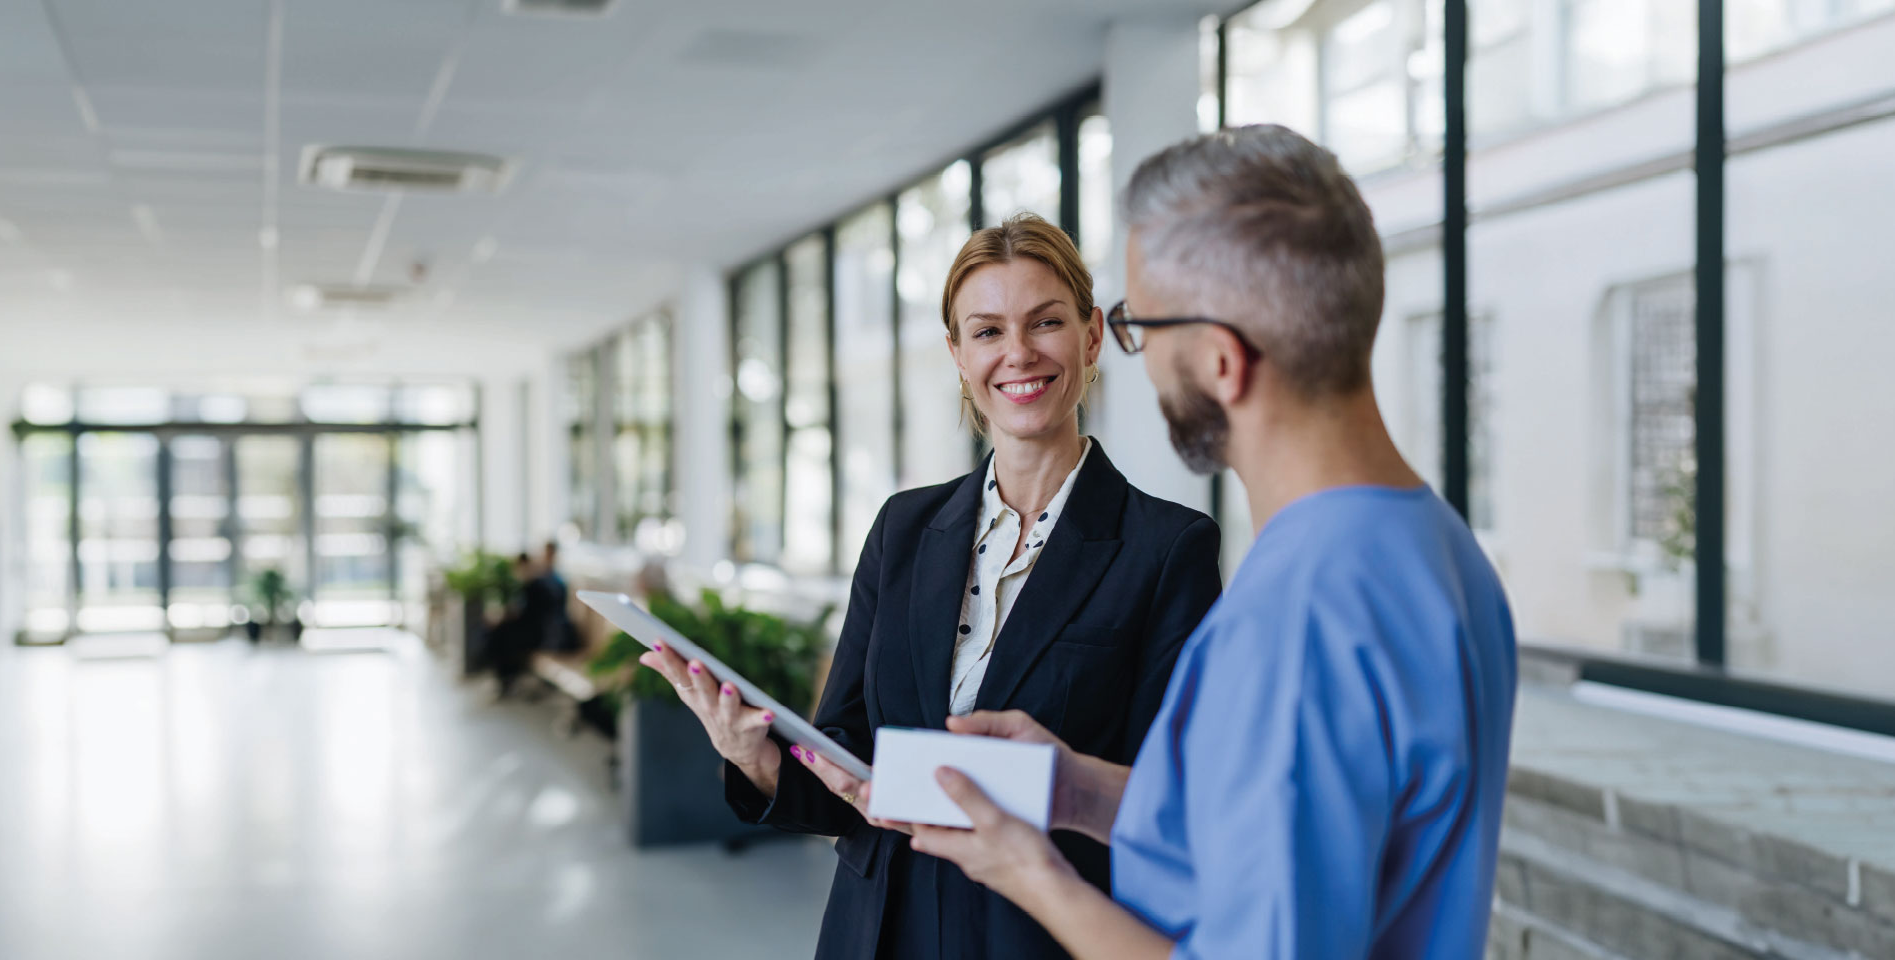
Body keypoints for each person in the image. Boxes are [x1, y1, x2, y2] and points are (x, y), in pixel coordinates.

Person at [881, 125, 1521, 960]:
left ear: (1222, 362)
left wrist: (1032, 874)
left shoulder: (1297, 618)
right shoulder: (1434, 547)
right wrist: (1077, 791)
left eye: (1140, 326)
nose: (1139, 361)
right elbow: (1277, 835)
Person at [638, 213, 1224, 960]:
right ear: (956, 353)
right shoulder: (904, 528)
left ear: (1089, 337)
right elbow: (847, 753)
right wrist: (755, 756)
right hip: (877, 926)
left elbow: (1163, 802)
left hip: (1040, 936)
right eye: (986, 332)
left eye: (1045, 322)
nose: (1017, 353)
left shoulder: (1167, 548)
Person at [482, 541, 569, 698]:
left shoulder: (551, 581)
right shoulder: (541, 579)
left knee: (502, 636)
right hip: (539, 628)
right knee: (499, 633)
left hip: (547, 632)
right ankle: (505, 679)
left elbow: (535, 612)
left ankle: (506, 679)